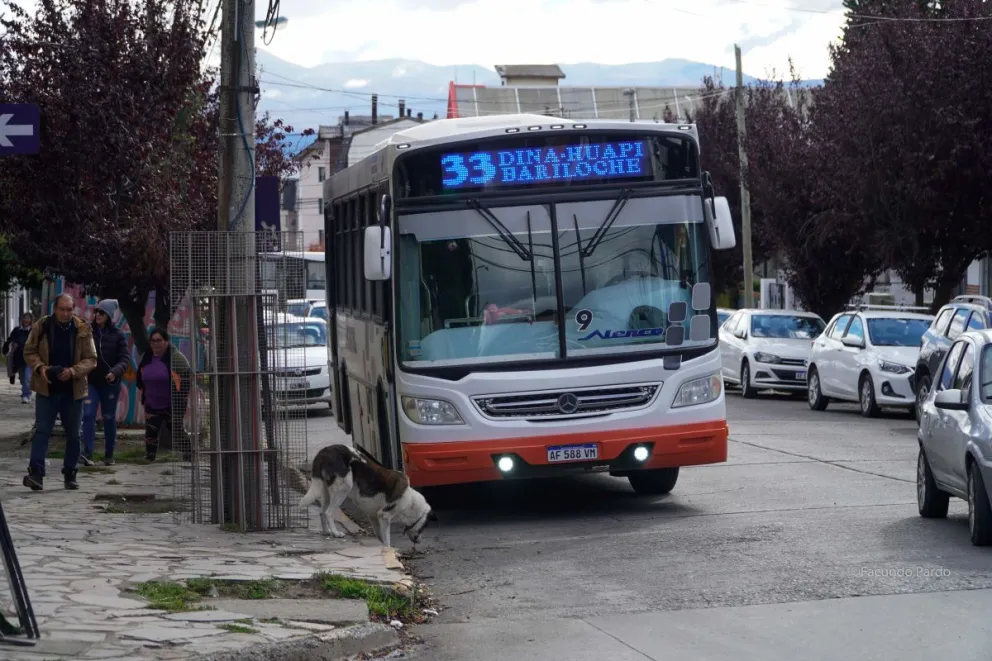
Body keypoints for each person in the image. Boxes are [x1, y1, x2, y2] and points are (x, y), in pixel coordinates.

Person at [21, 294, 97, 491]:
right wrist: (40, 368)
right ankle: (36, 474)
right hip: (47, 388)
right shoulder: (42, 326)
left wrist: (73, 371)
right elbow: (29, 351)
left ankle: (70, 473)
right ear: (55, 309)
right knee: (42, 431)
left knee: (73, 434)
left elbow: (91, 359)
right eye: (62, 309)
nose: (66, 313)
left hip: (73, 390)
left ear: (73, 310)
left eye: (69, 309)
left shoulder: (82, 328)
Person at [80, 300, 131, 467]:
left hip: (110, 384)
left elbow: (124, 359)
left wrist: (115, 372)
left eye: (102, 313)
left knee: (109, 418)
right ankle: (87, 452)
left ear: (109, 315)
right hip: (91, 382)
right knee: (88, 415)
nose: (98, 315)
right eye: (97, 312)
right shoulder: (88, 332)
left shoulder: (118, 335)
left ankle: (109, 455)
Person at [136, 328, 190, 462]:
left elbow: (186, 378)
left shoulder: (176, 357)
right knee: (151, 430)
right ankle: (150, 456)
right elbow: (140, 374)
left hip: (172, 402)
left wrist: (180, 396)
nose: (155, 344)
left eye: (159, 340)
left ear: (166, 341)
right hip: (152, 400)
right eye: (153, 341)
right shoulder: (147, 356)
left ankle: (189, 453)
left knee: (176, 429)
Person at [3, 312, 34, 403]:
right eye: (24, 318)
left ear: (31, 320)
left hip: (29, 357)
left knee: (27, 377)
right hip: (18, 357)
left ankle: (25, 395)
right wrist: (11, 344)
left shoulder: (33, 330)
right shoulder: (17, 330)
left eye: (28, 318)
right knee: (21, 377)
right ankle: (27, 392)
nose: (26, 320)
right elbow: (10, 339)